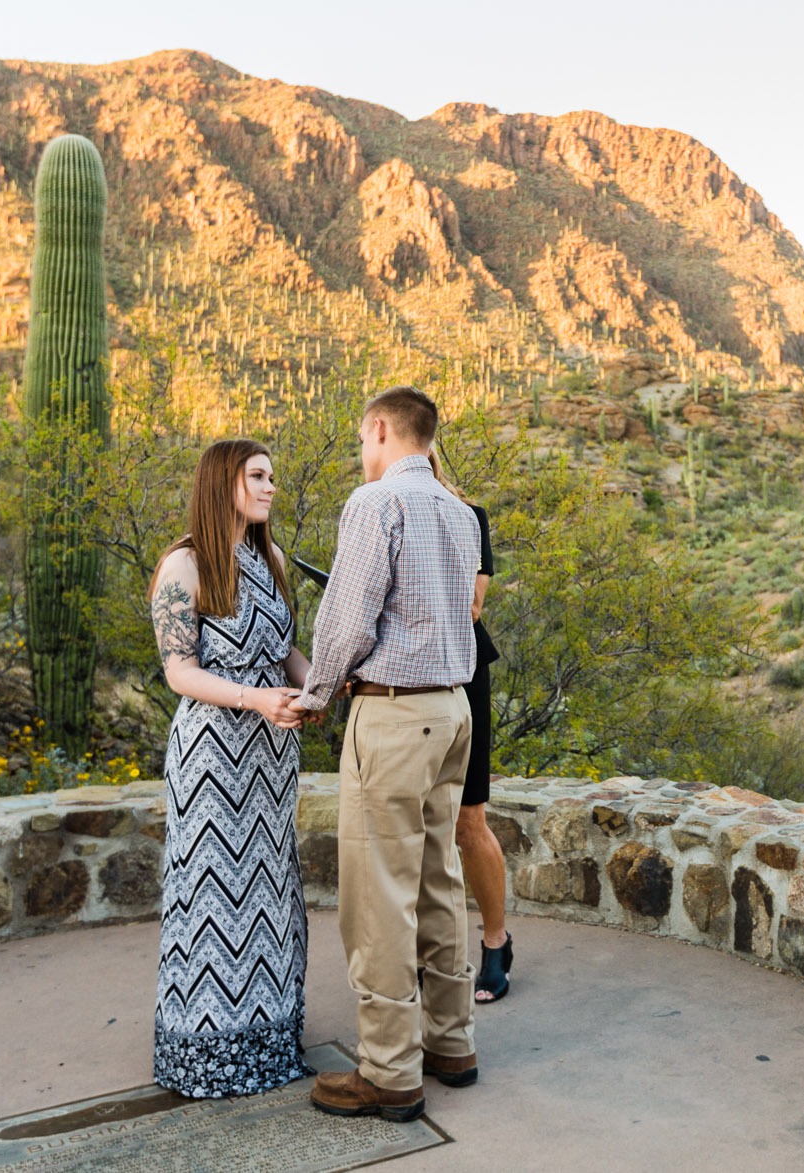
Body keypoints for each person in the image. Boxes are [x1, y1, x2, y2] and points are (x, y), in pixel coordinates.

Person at [297, 386, 482, 1123]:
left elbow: (347, 615)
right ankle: (451, 1042)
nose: (361, 452)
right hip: (453, 708)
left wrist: (314, 694)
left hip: (395, 714)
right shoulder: (459, 511)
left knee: (378, 895)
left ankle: (389, 1071)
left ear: (379, 429)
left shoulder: (376, 504)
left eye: (362, 438)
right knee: (437, 874)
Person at [147, 439, 313, 1098]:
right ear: (224, 482)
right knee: (213, 895)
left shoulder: (267, 557)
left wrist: (314, 686)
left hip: (273, 756)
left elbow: (284, 649)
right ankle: (206, 1056)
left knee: (269, 898)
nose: (271, 486)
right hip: (214, 755)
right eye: (258, 475)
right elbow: (178, 670)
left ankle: (267, 1044)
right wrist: (255, 697)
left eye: (273, 475)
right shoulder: (183, 564)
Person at [427, 451, 514, 1003]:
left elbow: (474, 605)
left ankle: (495, 942)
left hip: (462, 671)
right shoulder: (378, 516)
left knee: (468, 819)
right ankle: (430, 952)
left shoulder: (469, 516)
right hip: (404, 682)